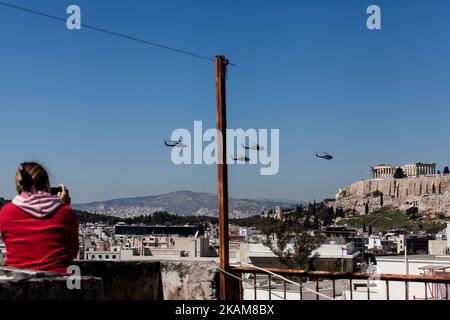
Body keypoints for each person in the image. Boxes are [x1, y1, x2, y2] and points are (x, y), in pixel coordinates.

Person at [0, 162, 79, 274]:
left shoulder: (6, 212)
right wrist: (63, 206)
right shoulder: (66, 212)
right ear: (47, 185)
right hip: (60, 284)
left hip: (19, 285)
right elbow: (71, 252)